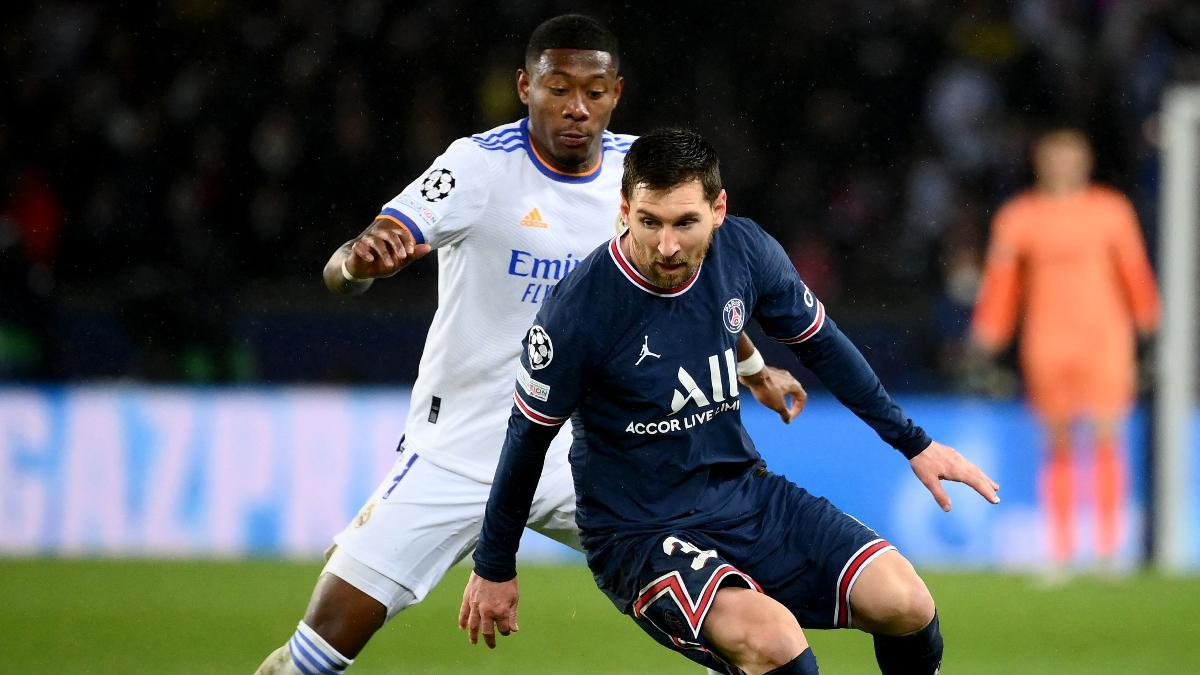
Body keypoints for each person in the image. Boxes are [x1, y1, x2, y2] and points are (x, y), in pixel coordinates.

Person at [254, 16, 804, 675]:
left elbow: (686, 279)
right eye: (559, 87)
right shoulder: (479, 166)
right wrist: (357, 261)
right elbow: (356, 257)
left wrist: (748, 365)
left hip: (597, 454)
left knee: (746, 619)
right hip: (463, 450)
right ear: (524, 86)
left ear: (617, 93)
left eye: (594, 91)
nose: (577, 106)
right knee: (318, 650)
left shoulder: (639, 175)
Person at [461, 128, 1001, 675]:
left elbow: (823, 347)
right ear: (624, 209)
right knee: (775, 642)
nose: (666, 246)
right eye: (648, 222)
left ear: (719, 209)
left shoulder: (745, 251)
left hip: (743, 494)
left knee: (905, 602)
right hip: (641, 533)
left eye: (684, 223)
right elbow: (526, 438)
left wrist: (914, 443)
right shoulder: (578, 312)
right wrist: (495, 563)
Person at [971, 128, 1159, 575]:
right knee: (1055, 441)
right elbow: (1002, 282)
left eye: (1071, 157)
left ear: (1086, 161)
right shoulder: (1020, 216)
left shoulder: (1111, 210)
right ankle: (1060, 550)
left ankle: (1111, 550)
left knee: (1106, 434)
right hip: (1047, 339)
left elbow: (1134, 270)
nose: (1063, 166)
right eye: (1054, 157)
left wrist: (1148, 318)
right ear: (1040, 162)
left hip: (1105, 338)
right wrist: (988, 332)